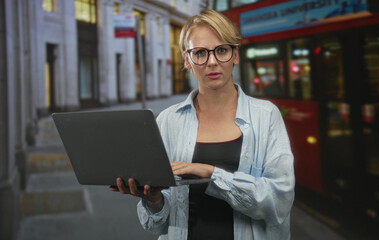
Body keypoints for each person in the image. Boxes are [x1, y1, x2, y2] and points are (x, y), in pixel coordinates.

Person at [110, 9, 295, 240]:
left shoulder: (266, 115)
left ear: (235, 55)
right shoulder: (168, 120)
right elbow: (158, 223)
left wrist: (211, 174)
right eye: (200, 53)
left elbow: (279, 201)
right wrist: (154, 200)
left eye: (222, 50)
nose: (212, 62)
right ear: (187, 60)